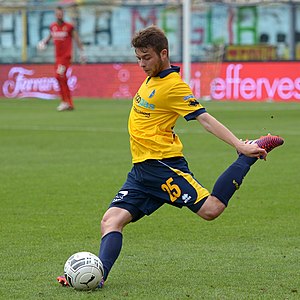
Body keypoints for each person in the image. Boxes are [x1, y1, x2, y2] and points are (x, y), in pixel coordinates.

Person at [57, 25, 284, 288]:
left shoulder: (174, 87)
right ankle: (97, 276)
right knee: (111, 221)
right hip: (141, 171)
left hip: (162, 165)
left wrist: (240, 145)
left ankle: (248, 155)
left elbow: (205, 119)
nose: (141, 64)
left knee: (211, 210)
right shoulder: (152, 77)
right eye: (138, 58)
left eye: (146, 57)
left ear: (163, 53)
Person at [37, 6, 85, 111]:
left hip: (65, 57)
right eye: (57, 13)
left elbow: (77, 39)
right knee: (61, 78)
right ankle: (69, 103)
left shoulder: (69, 27)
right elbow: (50, 36)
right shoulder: (53, 26)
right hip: (58, 58)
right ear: (55, 14)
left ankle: (65, 102)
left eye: (61, 13)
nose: (59, 15)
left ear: (63, 14)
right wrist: (43, 42)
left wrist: (82, 53)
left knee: (59, 76)